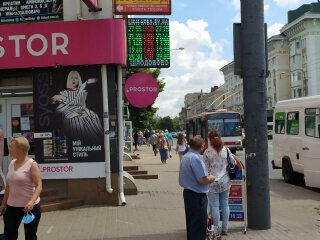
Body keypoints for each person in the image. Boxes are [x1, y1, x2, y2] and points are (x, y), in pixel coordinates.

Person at [0, 137, 42, 240]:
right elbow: (9, 186)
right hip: (11, 208)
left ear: (20, 149)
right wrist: (3, 204)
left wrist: (31, 202)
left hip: (28, 209)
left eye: (11, 147)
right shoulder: (12, 163)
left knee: (30, 236)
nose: (9, 149)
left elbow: (39, 186)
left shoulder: (32, 164)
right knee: (9, 235)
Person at [179, 136, 215, 240]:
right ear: (202, 146)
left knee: (192, 224)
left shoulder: (186, 156)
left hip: (189, 194)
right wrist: (212, 177)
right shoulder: (195, 158)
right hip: (197, 196)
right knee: (199, 226)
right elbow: (202, 180)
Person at [51, 70, 103, 141]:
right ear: (69, 80)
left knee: (94, 117)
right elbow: (53, 99)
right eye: (71, 78)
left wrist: (83, 110)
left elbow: (83, 105)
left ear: (79, 80)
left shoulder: (82, 92)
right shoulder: (65, 93)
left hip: (81, 113)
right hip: (70, 116)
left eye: (76, 78)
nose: (74, 80)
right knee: (76, 123)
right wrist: (60, 98)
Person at [203, 131, 237, 236]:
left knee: (215, 207)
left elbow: (204, 168)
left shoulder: (207, 152)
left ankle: (216, 231)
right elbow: (233, 162)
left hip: (212, 182)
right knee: (225, 205)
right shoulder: (226, 150)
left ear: (209, 139)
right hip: (225, 181)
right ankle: (225, 229)